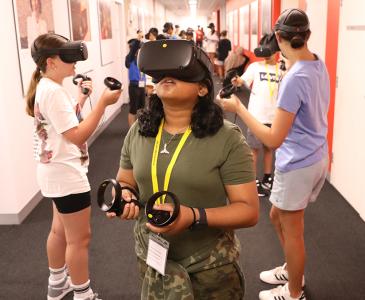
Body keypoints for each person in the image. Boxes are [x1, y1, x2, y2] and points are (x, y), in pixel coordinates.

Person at [107, 40, 259, 299]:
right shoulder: (139, 131)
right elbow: (125, 181)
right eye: (161, 75)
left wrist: (193, 216)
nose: (167, 78)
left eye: (178, 74)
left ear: (202, 89)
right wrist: (125, 196)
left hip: (210, 266)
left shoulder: (227, 138)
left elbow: (248, 211)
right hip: (153, 258)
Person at [218, 9, 329, 300]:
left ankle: (294, 292)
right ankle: (292, 269)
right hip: (316, 156)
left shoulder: (295, 78)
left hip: (298, 163)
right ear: (307, 36)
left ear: (279, 37)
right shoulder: (317, 63)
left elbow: (273, 138)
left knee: (293, 231)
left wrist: (239, 109)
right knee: (276, 215)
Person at [25, 33, 121, 300]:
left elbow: (65, 125)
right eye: (68, 57)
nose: (75, 62)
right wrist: (101, 103)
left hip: (53, 172)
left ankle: (57, 284)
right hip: (66, 175)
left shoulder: (48, 87)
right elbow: (77, 135)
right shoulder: (53, 91)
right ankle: (83, 294)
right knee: (80, 239)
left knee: (59, 230)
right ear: (51, 62)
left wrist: (80, 99)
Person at [232, 35, 280, 197]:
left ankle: (267, 178)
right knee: (253, 150)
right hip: (255, 117)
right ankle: (253, 181)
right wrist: (236, 80)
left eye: (270, 52)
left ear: (277, 52)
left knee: (269, 149)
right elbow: (243, 81)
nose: (267, 56)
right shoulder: (255, 67)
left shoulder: (282, 69)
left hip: (274, 117)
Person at [125, 38, 146, 127]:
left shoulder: (141, 58)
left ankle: (140, 126)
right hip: (134, 87)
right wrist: (138, 38)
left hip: (142, 86)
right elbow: (134, 49)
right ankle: (131, 130)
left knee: (142, 108)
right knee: (133, 109)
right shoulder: (129, 59)